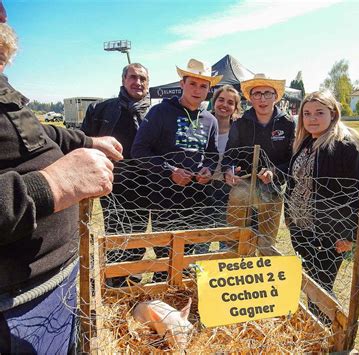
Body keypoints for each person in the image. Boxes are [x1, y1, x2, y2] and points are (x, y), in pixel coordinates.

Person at [0, 16, 123, 353]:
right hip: (15, 304)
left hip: (55, 284)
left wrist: (87, 140)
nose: (4, 15)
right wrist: (53, 183)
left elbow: (36, 134)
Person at [132, 58, 222, 280]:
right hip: (164, 198)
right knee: (166, 253)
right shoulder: (160, 112)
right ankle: (163, 299)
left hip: (197, 198)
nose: (197, 90)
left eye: (203, 86)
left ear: (209, 89)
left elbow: (212, 154)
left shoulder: (210, 119)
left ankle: (180, 298)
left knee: (188, 254)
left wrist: (209, 170)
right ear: (182, 84)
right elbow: (139, 150)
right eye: (193, 83)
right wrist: (169, 170)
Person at [285, 91, 359, 319]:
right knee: (313, 280)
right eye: (307, 113)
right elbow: (294, 182)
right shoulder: (306, 142)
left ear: (333, 113)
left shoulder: (346, 145)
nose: (312, 119)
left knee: (321, 284)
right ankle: (316, 327)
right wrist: (291, 218)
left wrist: (348, 233)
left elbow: (356, 193)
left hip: (329, 233)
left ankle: (326, 332)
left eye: (319, 113)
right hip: (302, 228)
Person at [81, 62, 151, 287]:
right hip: (113, 181)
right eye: (133, 77)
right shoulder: (101, 109)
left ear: (148, 84)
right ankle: (113, 278)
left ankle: (132, 275)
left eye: (142, 79)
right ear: (123, 80)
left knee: (139, 232)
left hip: (145, 183)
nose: (137, 82)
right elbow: (84, 141)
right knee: (115, 230)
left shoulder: (155, 112)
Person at [222, 73, 295, 254]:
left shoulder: (288, 124)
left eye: (267, 93)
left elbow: (293, 160)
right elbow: (229, 155)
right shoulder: (240, 123)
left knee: (266, 243)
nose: (262, 99)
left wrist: (275, 172)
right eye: (257, 94)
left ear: (276, 97)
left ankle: (262, 275)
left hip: (272, 188)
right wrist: (229, 170)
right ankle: (235, 270)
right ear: (250, 98)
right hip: (243, 186)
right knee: (236, 239)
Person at [204, 85, 242, 247]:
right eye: (221, 100)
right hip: (202, 188)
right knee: (202, 237)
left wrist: (235, 170)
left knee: (226, 237)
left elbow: (242, 158)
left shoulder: (239, 129)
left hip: (228, 191)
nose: (224, 105)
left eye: (230, 102)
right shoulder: (202, 124)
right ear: (214, 102)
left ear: (235, 107)